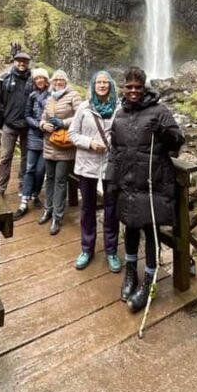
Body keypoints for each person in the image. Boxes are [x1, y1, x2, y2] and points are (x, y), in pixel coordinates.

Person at [106, 66, 184, 313]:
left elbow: (178, 142)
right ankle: (131, 274)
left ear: (144, 87)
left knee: (150, 232)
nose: (133, 91)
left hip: (152, 184)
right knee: (129, 228)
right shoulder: (119, 115)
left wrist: (165, 132)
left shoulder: (159, 111)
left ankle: (149, 280)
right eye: (129, 87)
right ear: (123, 88)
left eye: (137, 87)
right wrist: (110, 180)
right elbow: (114, 151)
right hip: (127, 183)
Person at [68, 71, 121, 273]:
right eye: (98, 82)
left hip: (110, 166)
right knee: (87, 209)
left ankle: (111, 251)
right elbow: (72, 134)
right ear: (92, 85)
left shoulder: (119, 108)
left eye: (105, 82)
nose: (102, 85)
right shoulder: (84, 107)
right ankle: (86, 249)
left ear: (111, 86)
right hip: (87, 166)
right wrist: (89, 143)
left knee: (111, 210)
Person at [39, 70, 81, 235]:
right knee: (49, 178)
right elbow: (43, 117)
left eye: (61, 80)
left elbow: (80, 116)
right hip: (49, 143)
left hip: (64, 146)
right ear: (52, 82)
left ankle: (57, 216)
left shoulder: (73, 95)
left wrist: (63, 123)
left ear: (66, 81)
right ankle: (47, 209)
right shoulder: (49, 97)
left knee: (60, 180)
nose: (58, 82)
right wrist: (43, 125)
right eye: (55, 80)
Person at [0, 52, 32, 197]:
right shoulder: (4, 79)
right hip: (9, 125)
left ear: (28, 63)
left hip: (27, 127)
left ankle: (22, 186)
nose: (22, 63)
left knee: (26, 158)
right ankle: (1, 187)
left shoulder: (33, 80)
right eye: (19, 61)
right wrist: (5, 116)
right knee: (6, 156)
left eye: (25, 61)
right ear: (14, 62)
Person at [15, 68, 50, 220]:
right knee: (29, 169)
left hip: (48, 139)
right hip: (33, 136)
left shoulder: (52, 95)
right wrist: (38, 125)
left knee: (40, 170)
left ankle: (35, 193)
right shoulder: (32, 96)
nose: (40, 80)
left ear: (46, 80)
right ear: (35, 81)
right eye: (37, 79)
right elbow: (27, 115)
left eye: (42, 78)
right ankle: (24, 201)